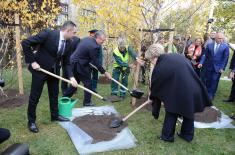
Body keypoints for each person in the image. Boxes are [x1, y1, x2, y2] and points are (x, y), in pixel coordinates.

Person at [145, 43, 212, 142]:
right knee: (188, 110)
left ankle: (167, 136)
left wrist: (152, 96)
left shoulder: (160, 65)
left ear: (155, 57)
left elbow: (156, 84)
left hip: (182, 89)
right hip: (193, 87)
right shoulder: (176, 56)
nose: (151, 63)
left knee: (172, 109)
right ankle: (187, 135)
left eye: (151, 60)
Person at [21, 21, 78, 133]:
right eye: (74, 32)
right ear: (68, 30)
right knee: (35, 96)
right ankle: (31, 121)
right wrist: (32, 61)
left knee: (54, 95)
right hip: (40, 70)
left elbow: (66, 62)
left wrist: (71, 77)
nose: (74, 35)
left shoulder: (70, 42)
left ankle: (55, 116)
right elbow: (25, 43)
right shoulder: (48, 34)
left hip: (54, 71)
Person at [64, 30, 112, 106]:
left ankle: (65, 97)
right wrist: (105, 72)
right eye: (102, 40)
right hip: (80, 65)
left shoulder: (87, 38)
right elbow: (96, 62)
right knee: (88, 83)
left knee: (75, 82)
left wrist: (85, 57)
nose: (103, 42)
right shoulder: (94, 47)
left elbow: (81, 50)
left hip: (73, 62)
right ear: (98, 38)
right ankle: (87, 102)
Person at [198, 32, 229, 100]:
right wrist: (201, 63)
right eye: (219, 38)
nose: (221, 40)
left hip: (218, 68)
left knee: (214, 81)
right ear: (215, 38)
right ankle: (207, 93)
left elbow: (225, 58)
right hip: (208, 66)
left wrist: (222, 68)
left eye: (222, 38)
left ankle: (211, 95)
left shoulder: (225, 46)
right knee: (208, 80)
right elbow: (205, 55)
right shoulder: (209, 45)